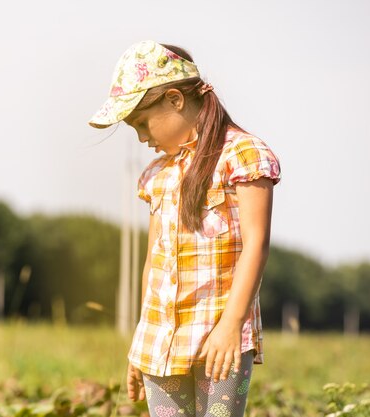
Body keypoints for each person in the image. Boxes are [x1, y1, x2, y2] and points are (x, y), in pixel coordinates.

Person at [88, 41, 281, 417]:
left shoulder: (243, 155)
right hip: (159, 338)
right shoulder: (157, 175)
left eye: (142, 123)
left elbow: (256, 244)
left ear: (175, 100)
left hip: (220, 333)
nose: (143, 137)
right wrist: (140, 343)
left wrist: (231, 325)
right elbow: (153, 264)